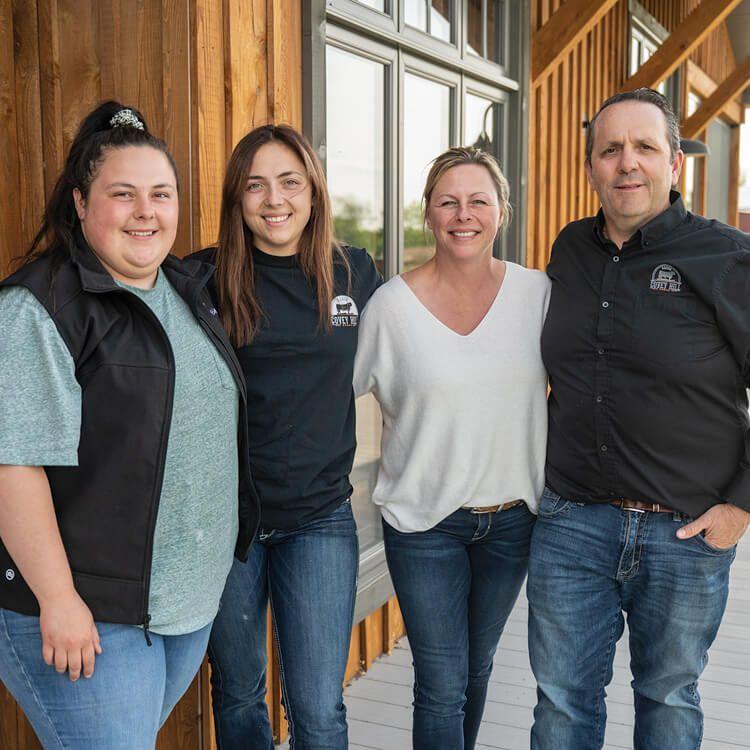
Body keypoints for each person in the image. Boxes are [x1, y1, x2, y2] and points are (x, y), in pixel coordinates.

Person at [0, 101, 259, 749]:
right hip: (87, 610)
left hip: (180, 605)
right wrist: (58, 600)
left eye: (161, 194)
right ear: (81, 204)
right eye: (123, 194)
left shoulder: (181, 287)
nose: (146, 211)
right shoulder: (39, 307)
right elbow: (13, 464)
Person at [529, 88, 750, 750]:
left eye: (646, 147)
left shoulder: (728, 258)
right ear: (592, 164)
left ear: (675, 162)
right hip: (572, 524)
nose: (628, 163)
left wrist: (742, 503)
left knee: (667, 699)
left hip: (685, 533)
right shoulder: (570, 249)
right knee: (562, 705)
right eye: (611, 149)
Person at [354, 147, 550, 750]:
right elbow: (334, 397)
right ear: (428, 214)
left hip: (512, 521)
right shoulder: (389, 307)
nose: (463, 214)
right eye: (448, 202)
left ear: (501, 212)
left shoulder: (538, 296)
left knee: (477, 669)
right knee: (441, 683)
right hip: (423, 526)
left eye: (478, 201)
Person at [195, 124, 381, 750]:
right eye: (256, 186)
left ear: (313, 192)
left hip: (319, 520)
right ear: (237, 199)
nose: (274, 200)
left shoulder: (354, 272)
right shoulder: (202, 279)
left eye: (289, 183)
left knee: (318, 707)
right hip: (229, 525)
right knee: (239, 694)